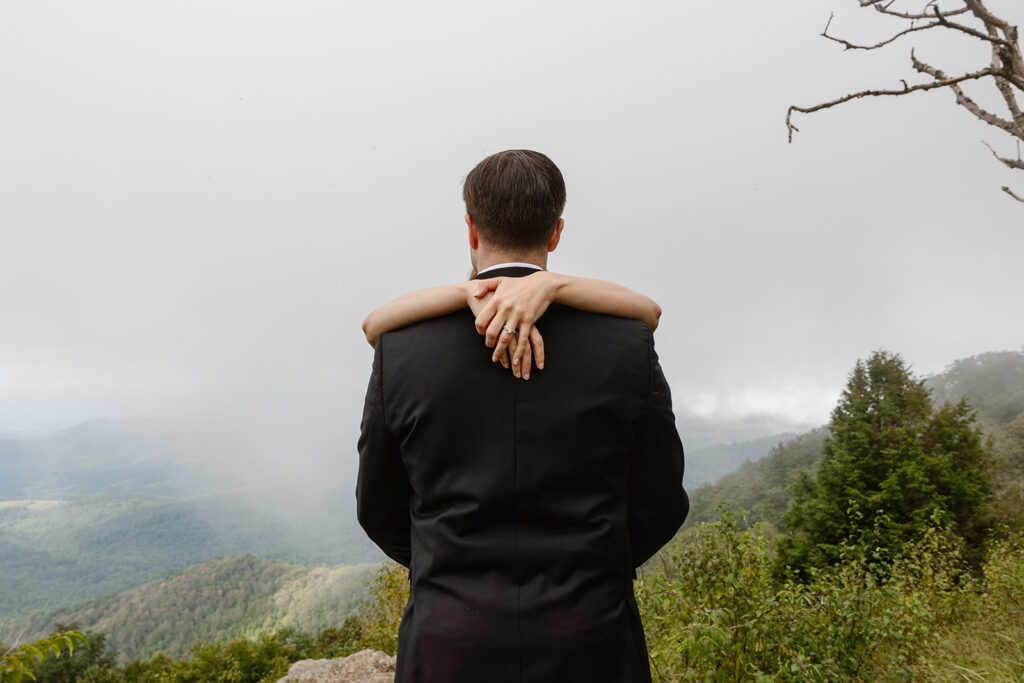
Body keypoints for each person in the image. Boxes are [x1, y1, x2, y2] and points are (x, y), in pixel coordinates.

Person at [357, 149, 687, 682]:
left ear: (470, 227)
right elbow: (662, 502)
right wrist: (597, 573)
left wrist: (446, 577)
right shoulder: (627, 343)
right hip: (593, 640)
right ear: (556, 232)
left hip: (448, 645)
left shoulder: (403, 349)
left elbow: (378, 508)